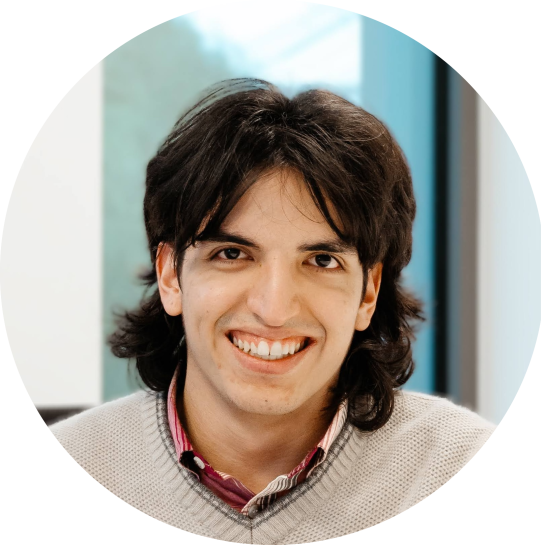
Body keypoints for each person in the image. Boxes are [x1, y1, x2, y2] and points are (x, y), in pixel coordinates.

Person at [50, 79, 495, 539]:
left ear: (369, 292)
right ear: (170, 276)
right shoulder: (80, 458)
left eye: (321, 261)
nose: (274, 309)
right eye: (232, 254)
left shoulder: (455, 463)